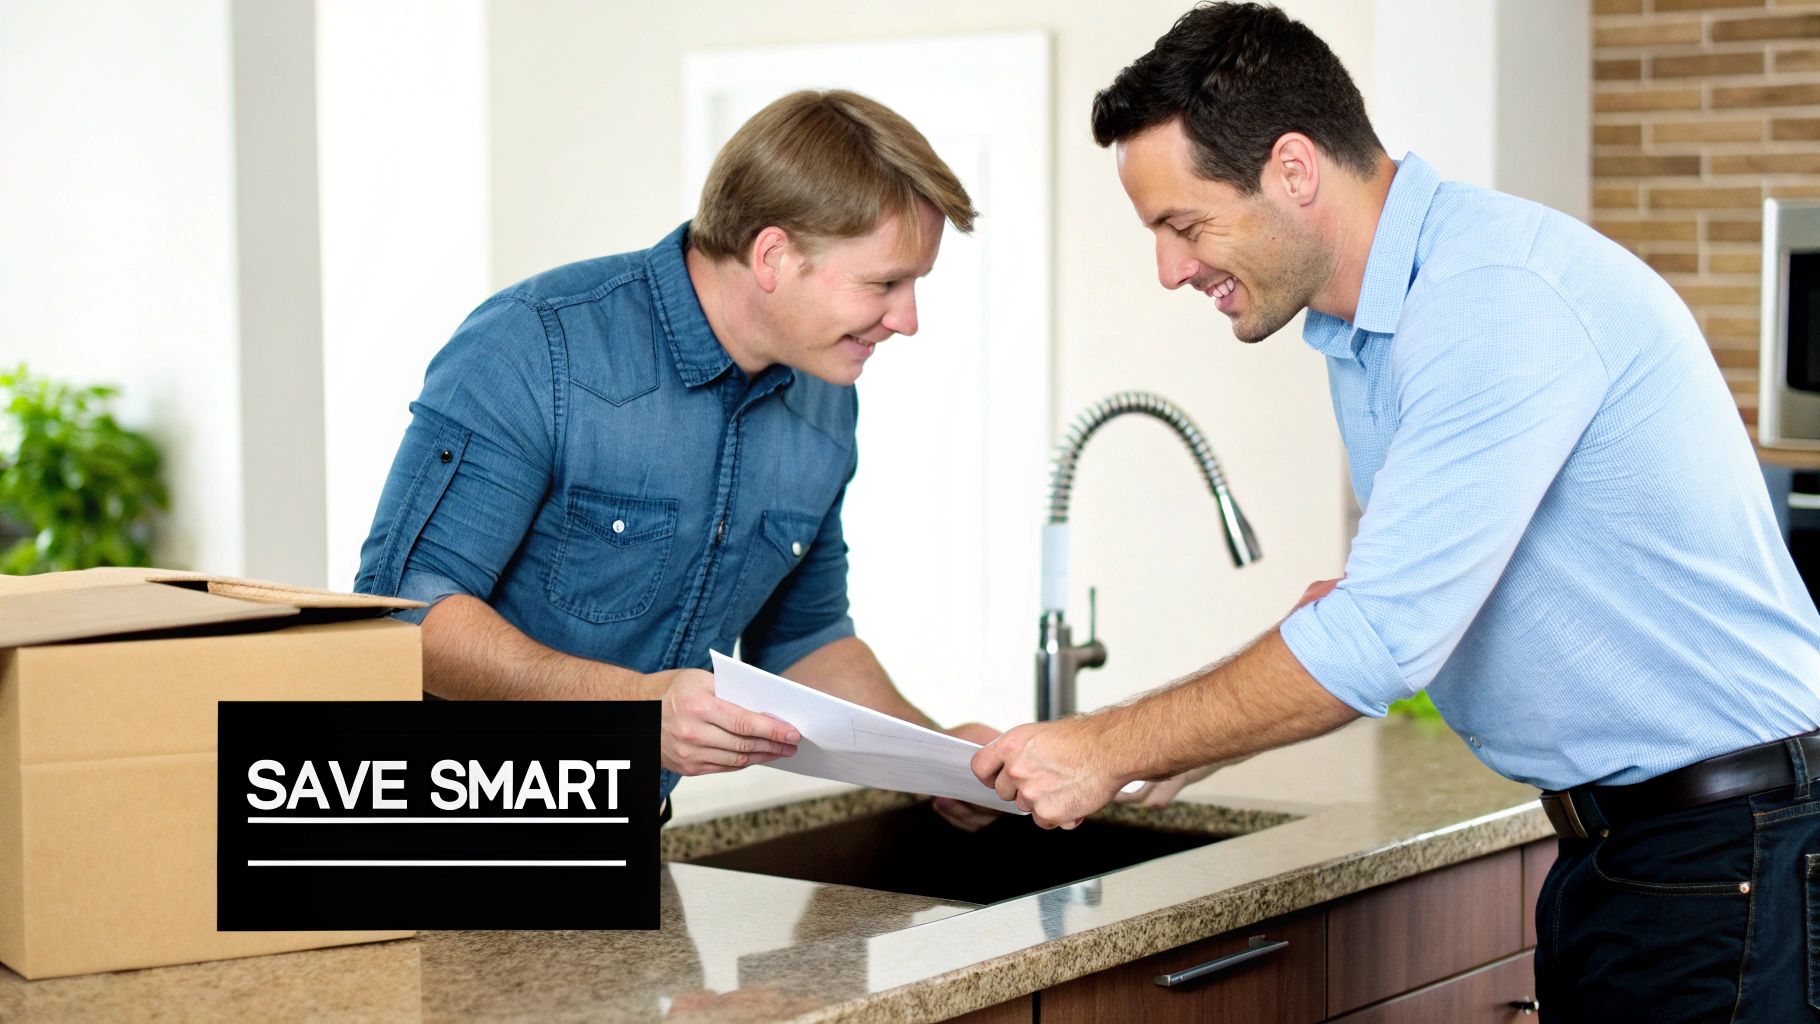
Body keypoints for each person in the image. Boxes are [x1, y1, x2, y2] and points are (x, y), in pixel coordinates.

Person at [970, 4, 1820, 1019]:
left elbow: (1375, 637)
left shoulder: (1485, 299)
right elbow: (1366, 602)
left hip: (1728, 849)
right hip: (1634, 851)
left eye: (1182, 224)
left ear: (1292, 169)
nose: (1168, 268)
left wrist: (1107, 747)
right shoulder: (1367, 329)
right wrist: (1123, 738)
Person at [357, 89, 997, 831]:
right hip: (430, 831)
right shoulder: (537, 345)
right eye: (884, 283)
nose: (908, 319)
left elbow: (804, 638)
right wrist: (631, 709)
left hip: (628, 834)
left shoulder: (826, 401)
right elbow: (406, 612)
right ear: (773, 255)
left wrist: (940, 758)